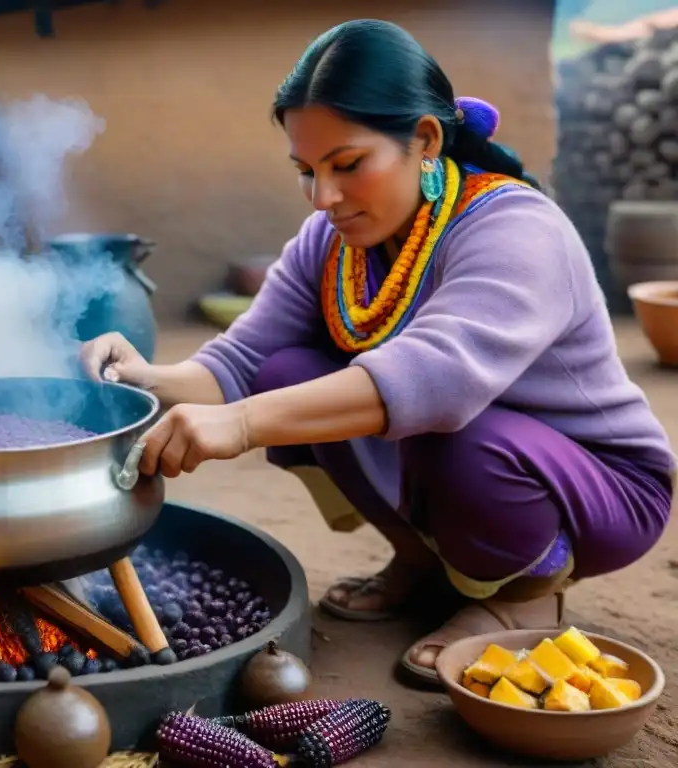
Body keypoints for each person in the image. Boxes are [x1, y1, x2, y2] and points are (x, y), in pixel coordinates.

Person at [80, 19, 675, 686]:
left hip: (601, 486)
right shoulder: (327, 242)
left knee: (453, 436)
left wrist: (242, 423)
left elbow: (438, 382)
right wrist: (143, 377)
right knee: (287, 374)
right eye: (307, 171)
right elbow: (243, 363)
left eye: (347, 165)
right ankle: (421, 563)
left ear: (424, 139)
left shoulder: (516, 228)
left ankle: (519, 598)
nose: (324, 197)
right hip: (463, 451)